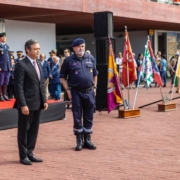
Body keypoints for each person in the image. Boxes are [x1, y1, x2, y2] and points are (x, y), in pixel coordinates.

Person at [14, 39, 48, 165]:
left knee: (34, 130)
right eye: (35, 49)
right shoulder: (21, 65)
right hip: (27, 104)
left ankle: (30, 153)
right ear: (27, 50)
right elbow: (19, 87)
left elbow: (41, 83)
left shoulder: (38, 63)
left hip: (37, 103)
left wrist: (44, 100)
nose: (38, 51)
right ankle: (23, 156)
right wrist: (23, 104)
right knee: (24, 130)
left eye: (39, 49)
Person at [60, 38, 98, 151]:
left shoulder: (90, 58)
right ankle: (79, 139)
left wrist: (95, 87)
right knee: (77, 115)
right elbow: (62, 76)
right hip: (76, 91)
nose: (81, 48)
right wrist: (68, 91)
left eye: (82, 46)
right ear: (74, 48)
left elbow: (95, 74)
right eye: (78, 46)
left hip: (89, 91)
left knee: (89, 115)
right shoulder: (68, 60)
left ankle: (88, 139)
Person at [0, 31, 12, 101]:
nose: (5, 38)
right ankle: (0, 95)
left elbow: (9, 57)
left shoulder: (7, 46)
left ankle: (4, 94)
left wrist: (10, 66)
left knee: (6, 81)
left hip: (7, 67)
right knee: (0, 82)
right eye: (3, 37)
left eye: (5, 37)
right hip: (1, 67)